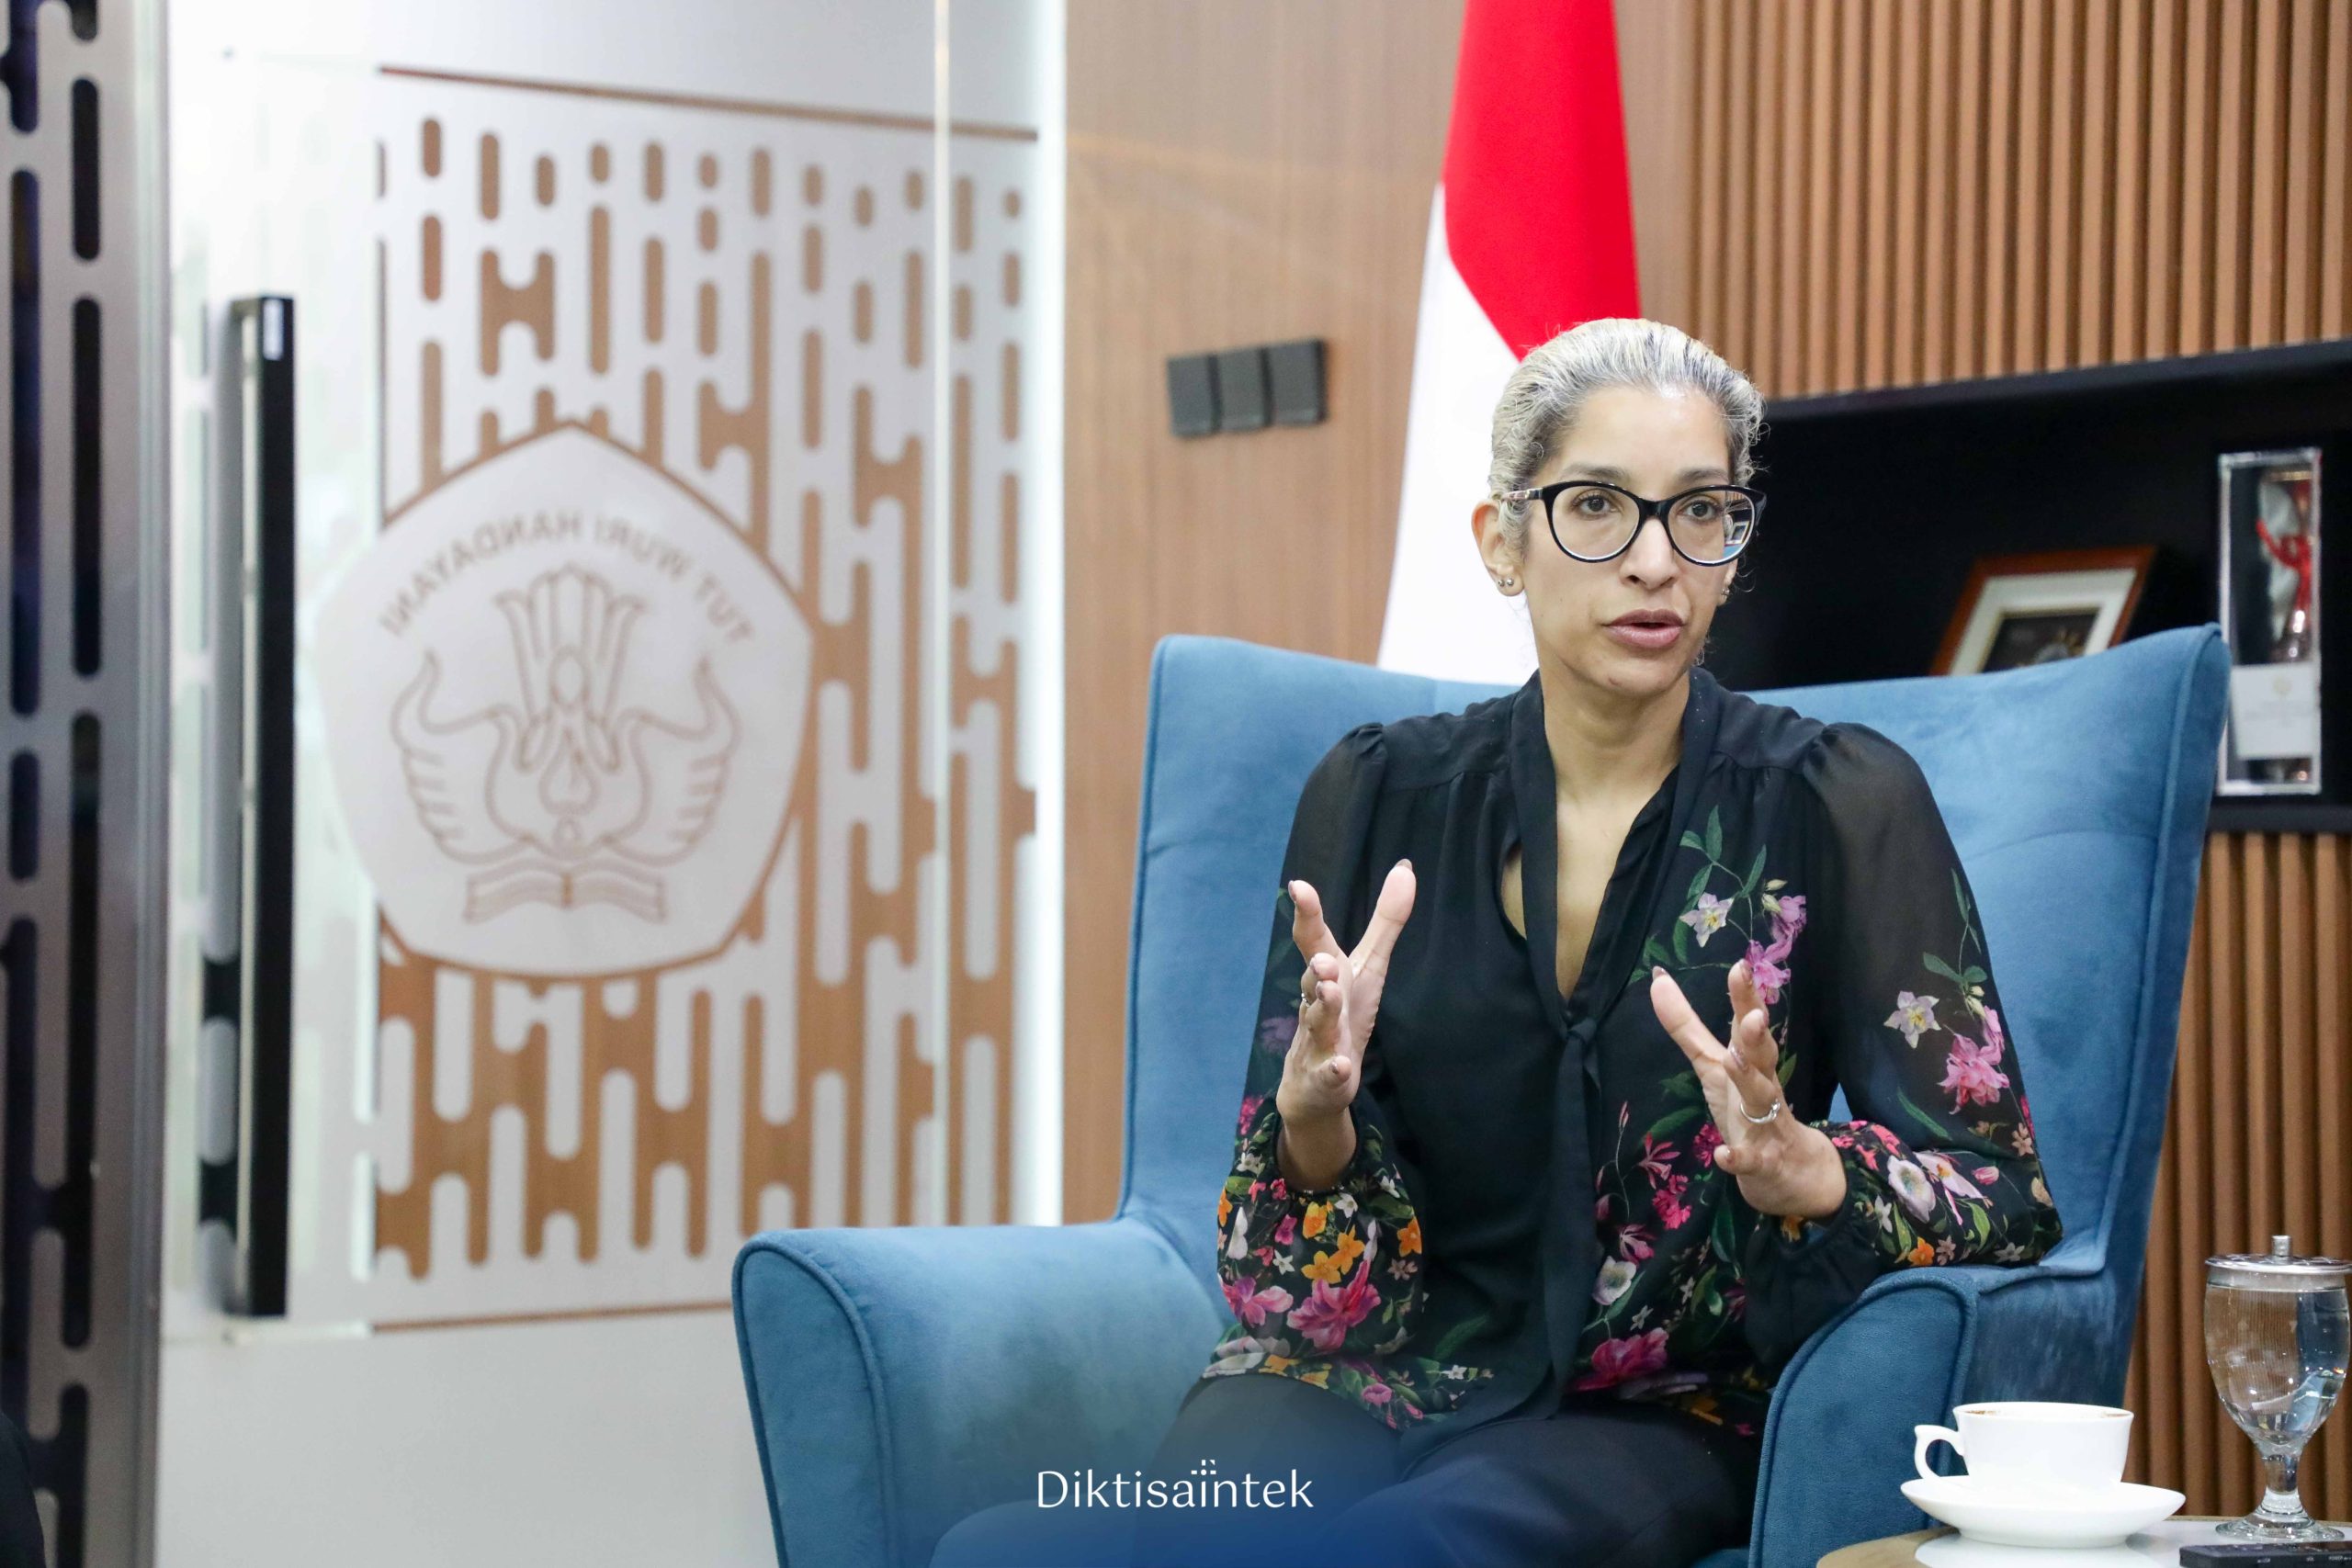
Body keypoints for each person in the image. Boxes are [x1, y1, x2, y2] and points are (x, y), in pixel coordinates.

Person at [1120, 317, 2063, 1568]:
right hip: (1368, 1377)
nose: (1654, 562)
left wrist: (1814, 1172)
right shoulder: (1377, 794)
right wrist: (1312, 1125)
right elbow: (1290, 1293)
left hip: (1658, 1407)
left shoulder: (1836, 801)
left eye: (1700, 512)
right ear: (1501, 541)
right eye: (1598, 508)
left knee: (1410, 1550)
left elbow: (2006, 1194)